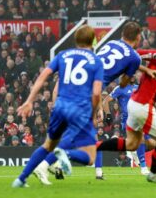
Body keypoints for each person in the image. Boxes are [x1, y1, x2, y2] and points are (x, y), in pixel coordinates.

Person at [33, 21, 156, 184]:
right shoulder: (134, 58)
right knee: (84, 140)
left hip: (74, 81)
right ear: (138, 38)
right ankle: (46, 164)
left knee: (73, 133)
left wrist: (145, 69)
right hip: (87, 91)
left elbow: (118, 60)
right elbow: (123, 82)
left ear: (123, 34)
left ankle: (54, 162)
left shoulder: (112, 43)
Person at [12, 25, 104, 187]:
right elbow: (96, 93)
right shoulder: (96, 61)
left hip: (60, 106)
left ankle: (21, 179)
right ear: (92, 41)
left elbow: (43, 76)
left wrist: (29, 100)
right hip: (79, 110)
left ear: (75, 39)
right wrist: (93, 113)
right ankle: (65, 153)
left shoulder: (63, 55)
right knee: (90, 157)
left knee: (48, 144)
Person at [97, 31, 156, 184]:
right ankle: (153, 173)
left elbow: (152, 81)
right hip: (142, 104)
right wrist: (140, 68)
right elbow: (136, 54)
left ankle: (98, 146)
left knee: (132, 144)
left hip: (136, 103)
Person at [103, 76, 151, 175]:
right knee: (140, 138)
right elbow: (106, 101)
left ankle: (134, 150)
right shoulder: (120, 88)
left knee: (146, 142)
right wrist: (108, 115)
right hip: (128, 119)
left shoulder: (139, 87)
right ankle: (143, 167)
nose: (133, 75)